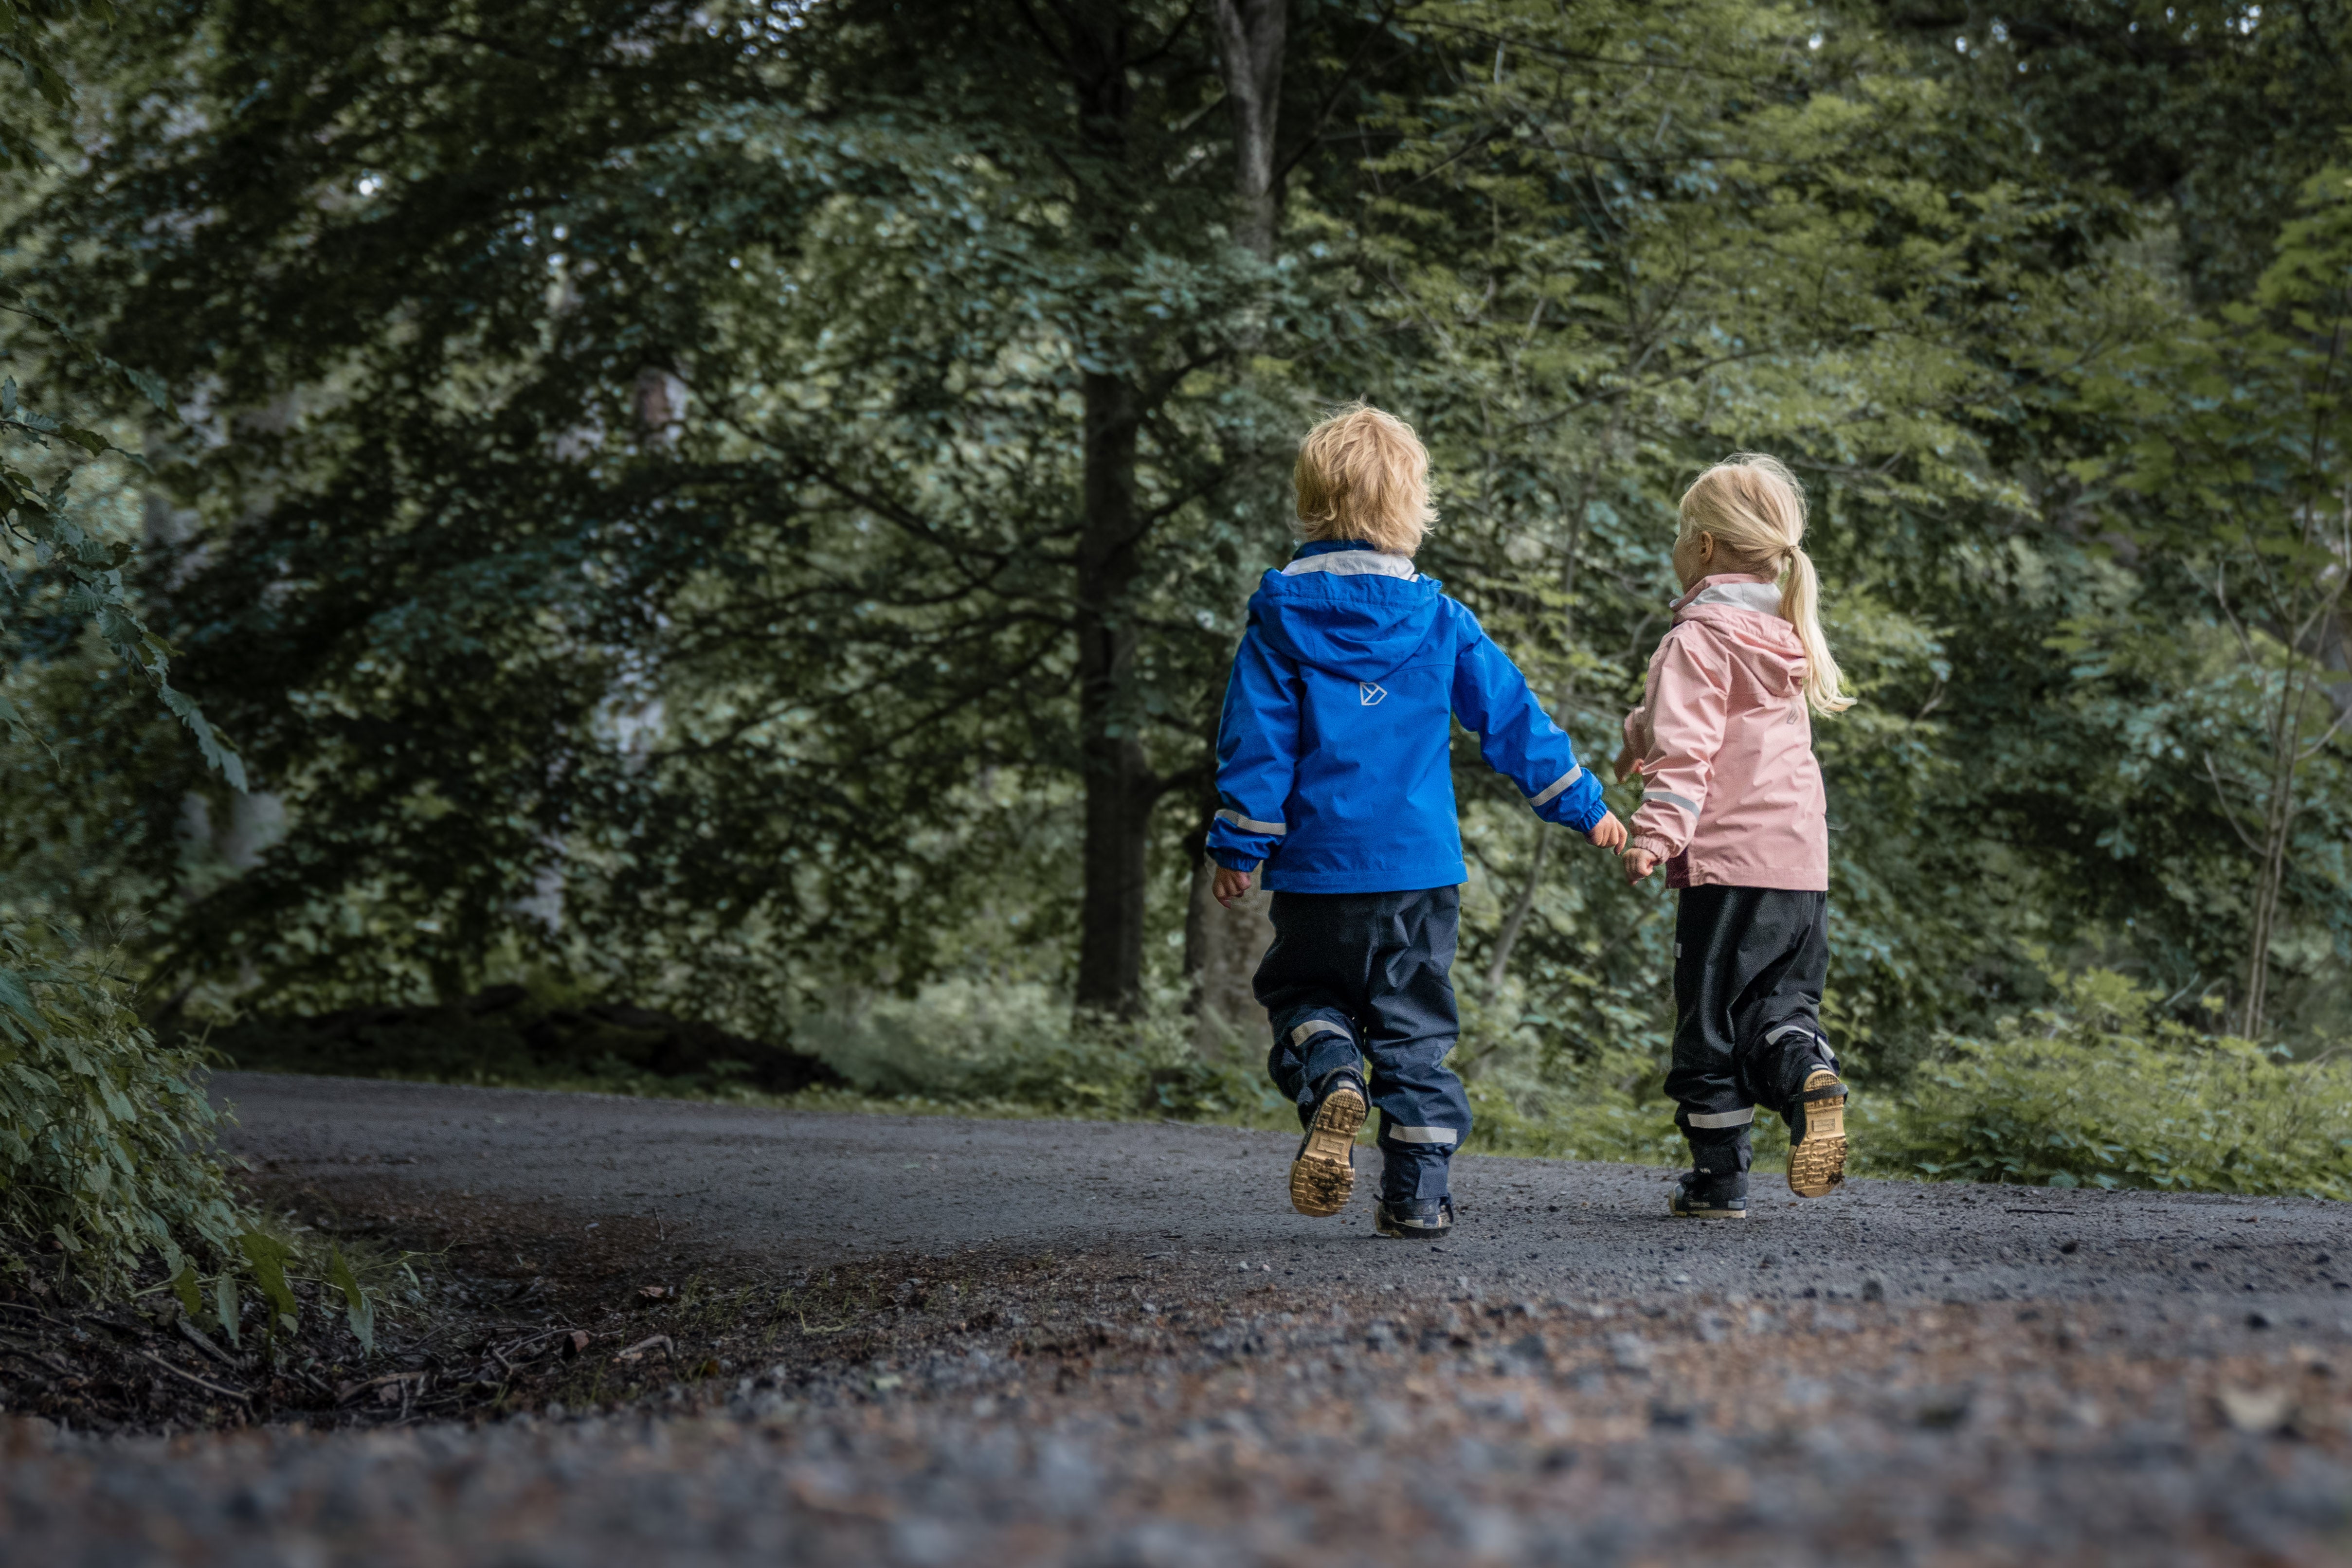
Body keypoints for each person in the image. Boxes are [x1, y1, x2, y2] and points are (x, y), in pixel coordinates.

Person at [1207, 403, 1626, 1239]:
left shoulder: (1279, 622)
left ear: (1309, 502)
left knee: (1303, 992)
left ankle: (1329, 1070)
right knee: (1416, 1036)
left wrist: (1240, 843)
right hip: (1420, 877)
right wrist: (1587, 809)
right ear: (1412, 508)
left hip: (1317, 873)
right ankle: (1418, 1199)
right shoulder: (1438, 619)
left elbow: (1256, 741)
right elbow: (1513, 723)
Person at [1616, 453, 1854, 1220]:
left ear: (1706, 547)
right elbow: (1706, 719)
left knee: (1710, 1024)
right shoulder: (1780, 636)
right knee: (1778, 1010)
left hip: (1725, 866)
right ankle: (1808, 1073)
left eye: (1682, 535)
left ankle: (1719, 1182)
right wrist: (1635, 732)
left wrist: (1653, 835)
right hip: (1800, 865)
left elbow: (1689, 751)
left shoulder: (1697, 636)